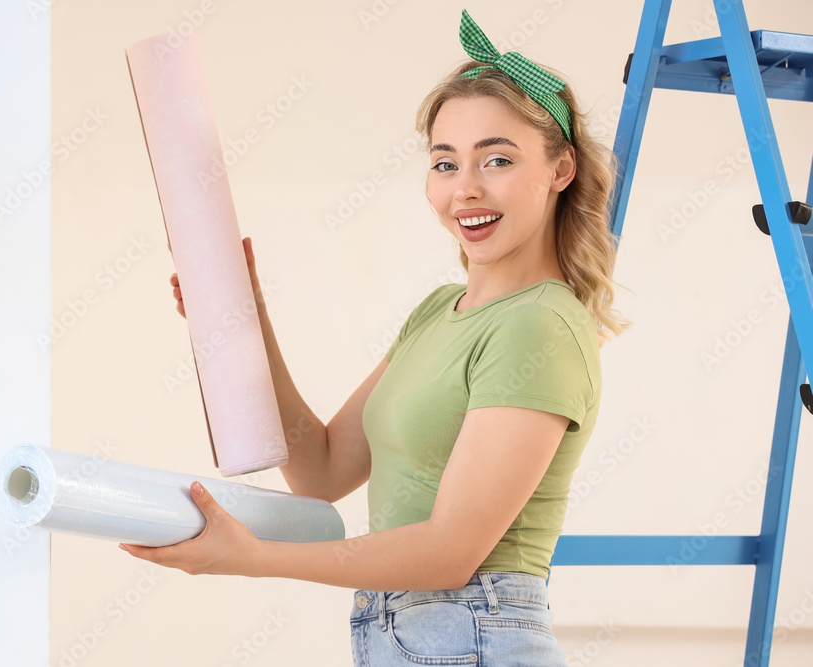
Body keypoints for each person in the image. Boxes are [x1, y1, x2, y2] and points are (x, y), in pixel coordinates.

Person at [119, 8, 629, 664]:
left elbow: (449, 551)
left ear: (560, 171)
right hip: (403, 634)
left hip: (476, 634)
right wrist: (245, 315)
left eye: (497, 159)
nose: (466, 189)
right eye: (445, 164)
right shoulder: (440, 310)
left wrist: (255, 558)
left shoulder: (540, 325)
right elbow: (322, 469)